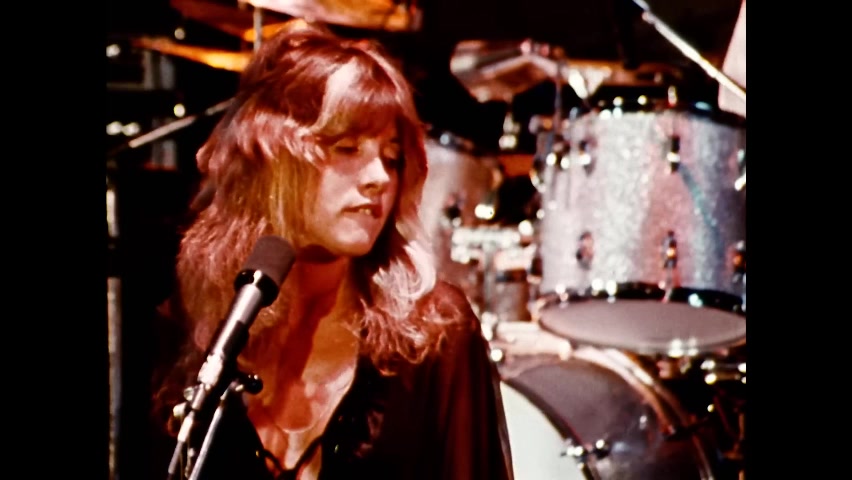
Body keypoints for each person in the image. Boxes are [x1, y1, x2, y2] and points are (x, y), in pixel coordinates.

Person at [148, 22, 514, 480]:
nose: (379, 178)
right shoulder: (199, 324)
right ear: (277, 161)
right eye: (347, 148)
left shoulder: (435, 333)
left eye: (391, 157)